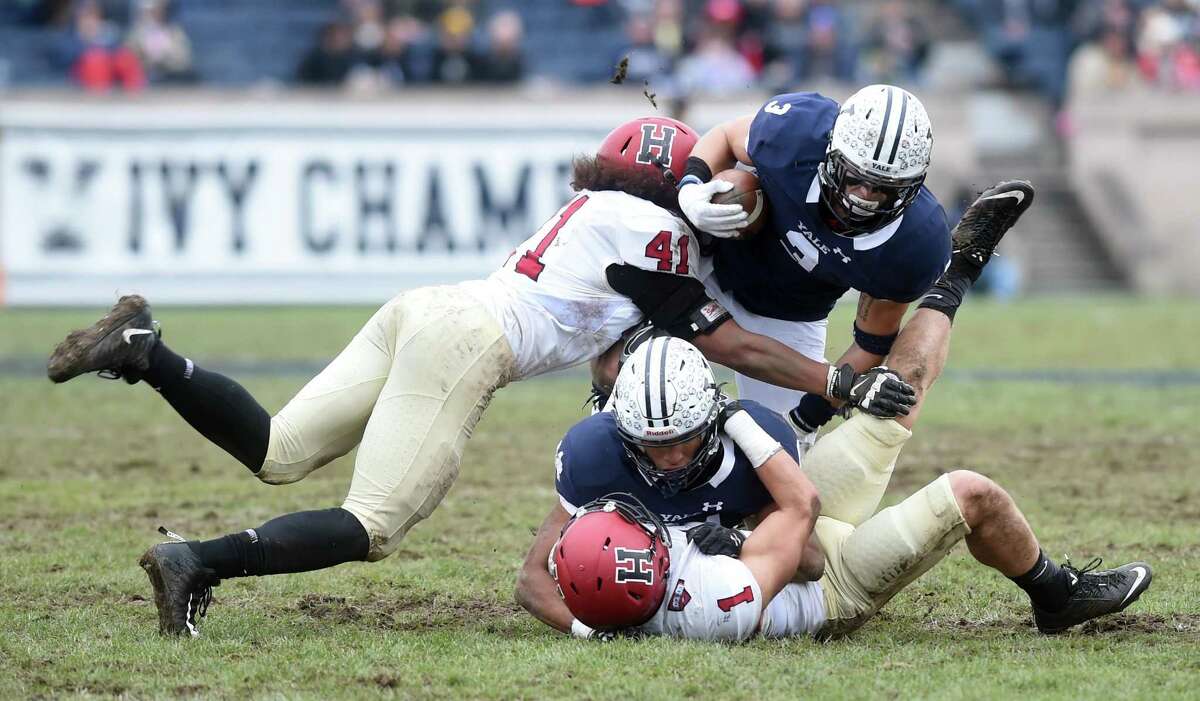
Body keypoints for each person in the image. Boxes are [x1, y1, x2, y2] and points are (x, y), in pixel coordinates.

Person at [45, 116, 911, 638]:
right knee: (374, 523)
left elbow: (619, 356)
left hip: (430, 308)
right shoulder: (660, 238)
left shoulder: (590, 211)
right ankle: (198, 561)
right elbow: (723, 341)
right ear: (670, 182)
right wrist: (834, 379)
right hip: (466, 344)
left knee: (277, 448)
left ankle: (147, 349)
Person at [517, 188, 1154, 640]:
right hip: (818, 581)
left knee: (893, 402)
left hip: (784, 520)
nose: (670, 458)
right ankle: (1056, 594)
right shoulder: (632, 457)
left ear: (708, 416)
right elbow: (812, 558)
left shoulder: (667, 443)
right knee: (971, 493)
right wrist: (733, 542)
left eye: (681, 440)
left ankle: (951, 273)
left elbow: (535, 581)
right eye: (651, 447)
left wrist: (591, 628)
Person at [676, 84, 956, 448]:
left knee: (778, 453)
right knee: (644, 385)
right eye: (854, 177)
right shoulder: (796, 134)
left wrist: (808, 416)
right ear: (830, 153)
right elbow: (726, 135)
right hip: (708, 262)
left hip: (788, 315)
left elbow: (872, 340)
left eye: (882, 188)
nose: (862, 197)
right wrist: (691, 186)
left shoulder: (914, 243)